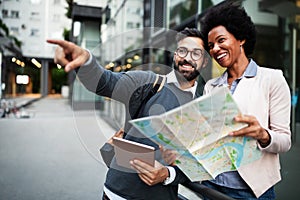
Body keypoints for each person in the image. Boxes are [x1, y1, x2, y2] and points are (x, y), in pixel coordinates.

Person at [47, 27, 209, 199]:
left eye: (196, 53)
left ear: (205, 61)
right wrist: (86, 62)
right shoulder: (147, 82)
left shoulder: (203, 108)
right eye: (182, 51)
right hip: (118, 193)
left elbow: (201, 163)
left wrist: (168, 174)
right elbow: (105, 81)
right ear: (175, 55)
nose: (187, 58)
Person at [199, 2, 291, 199]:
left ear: (240, 38)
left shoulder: (271, 79)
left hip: (250, 191)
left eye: (221, 40)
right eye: (211, 46)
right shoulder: (211, 86)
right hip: (211, 184)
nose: (215, 49)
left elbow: (284, 141)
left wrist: (263, 134)